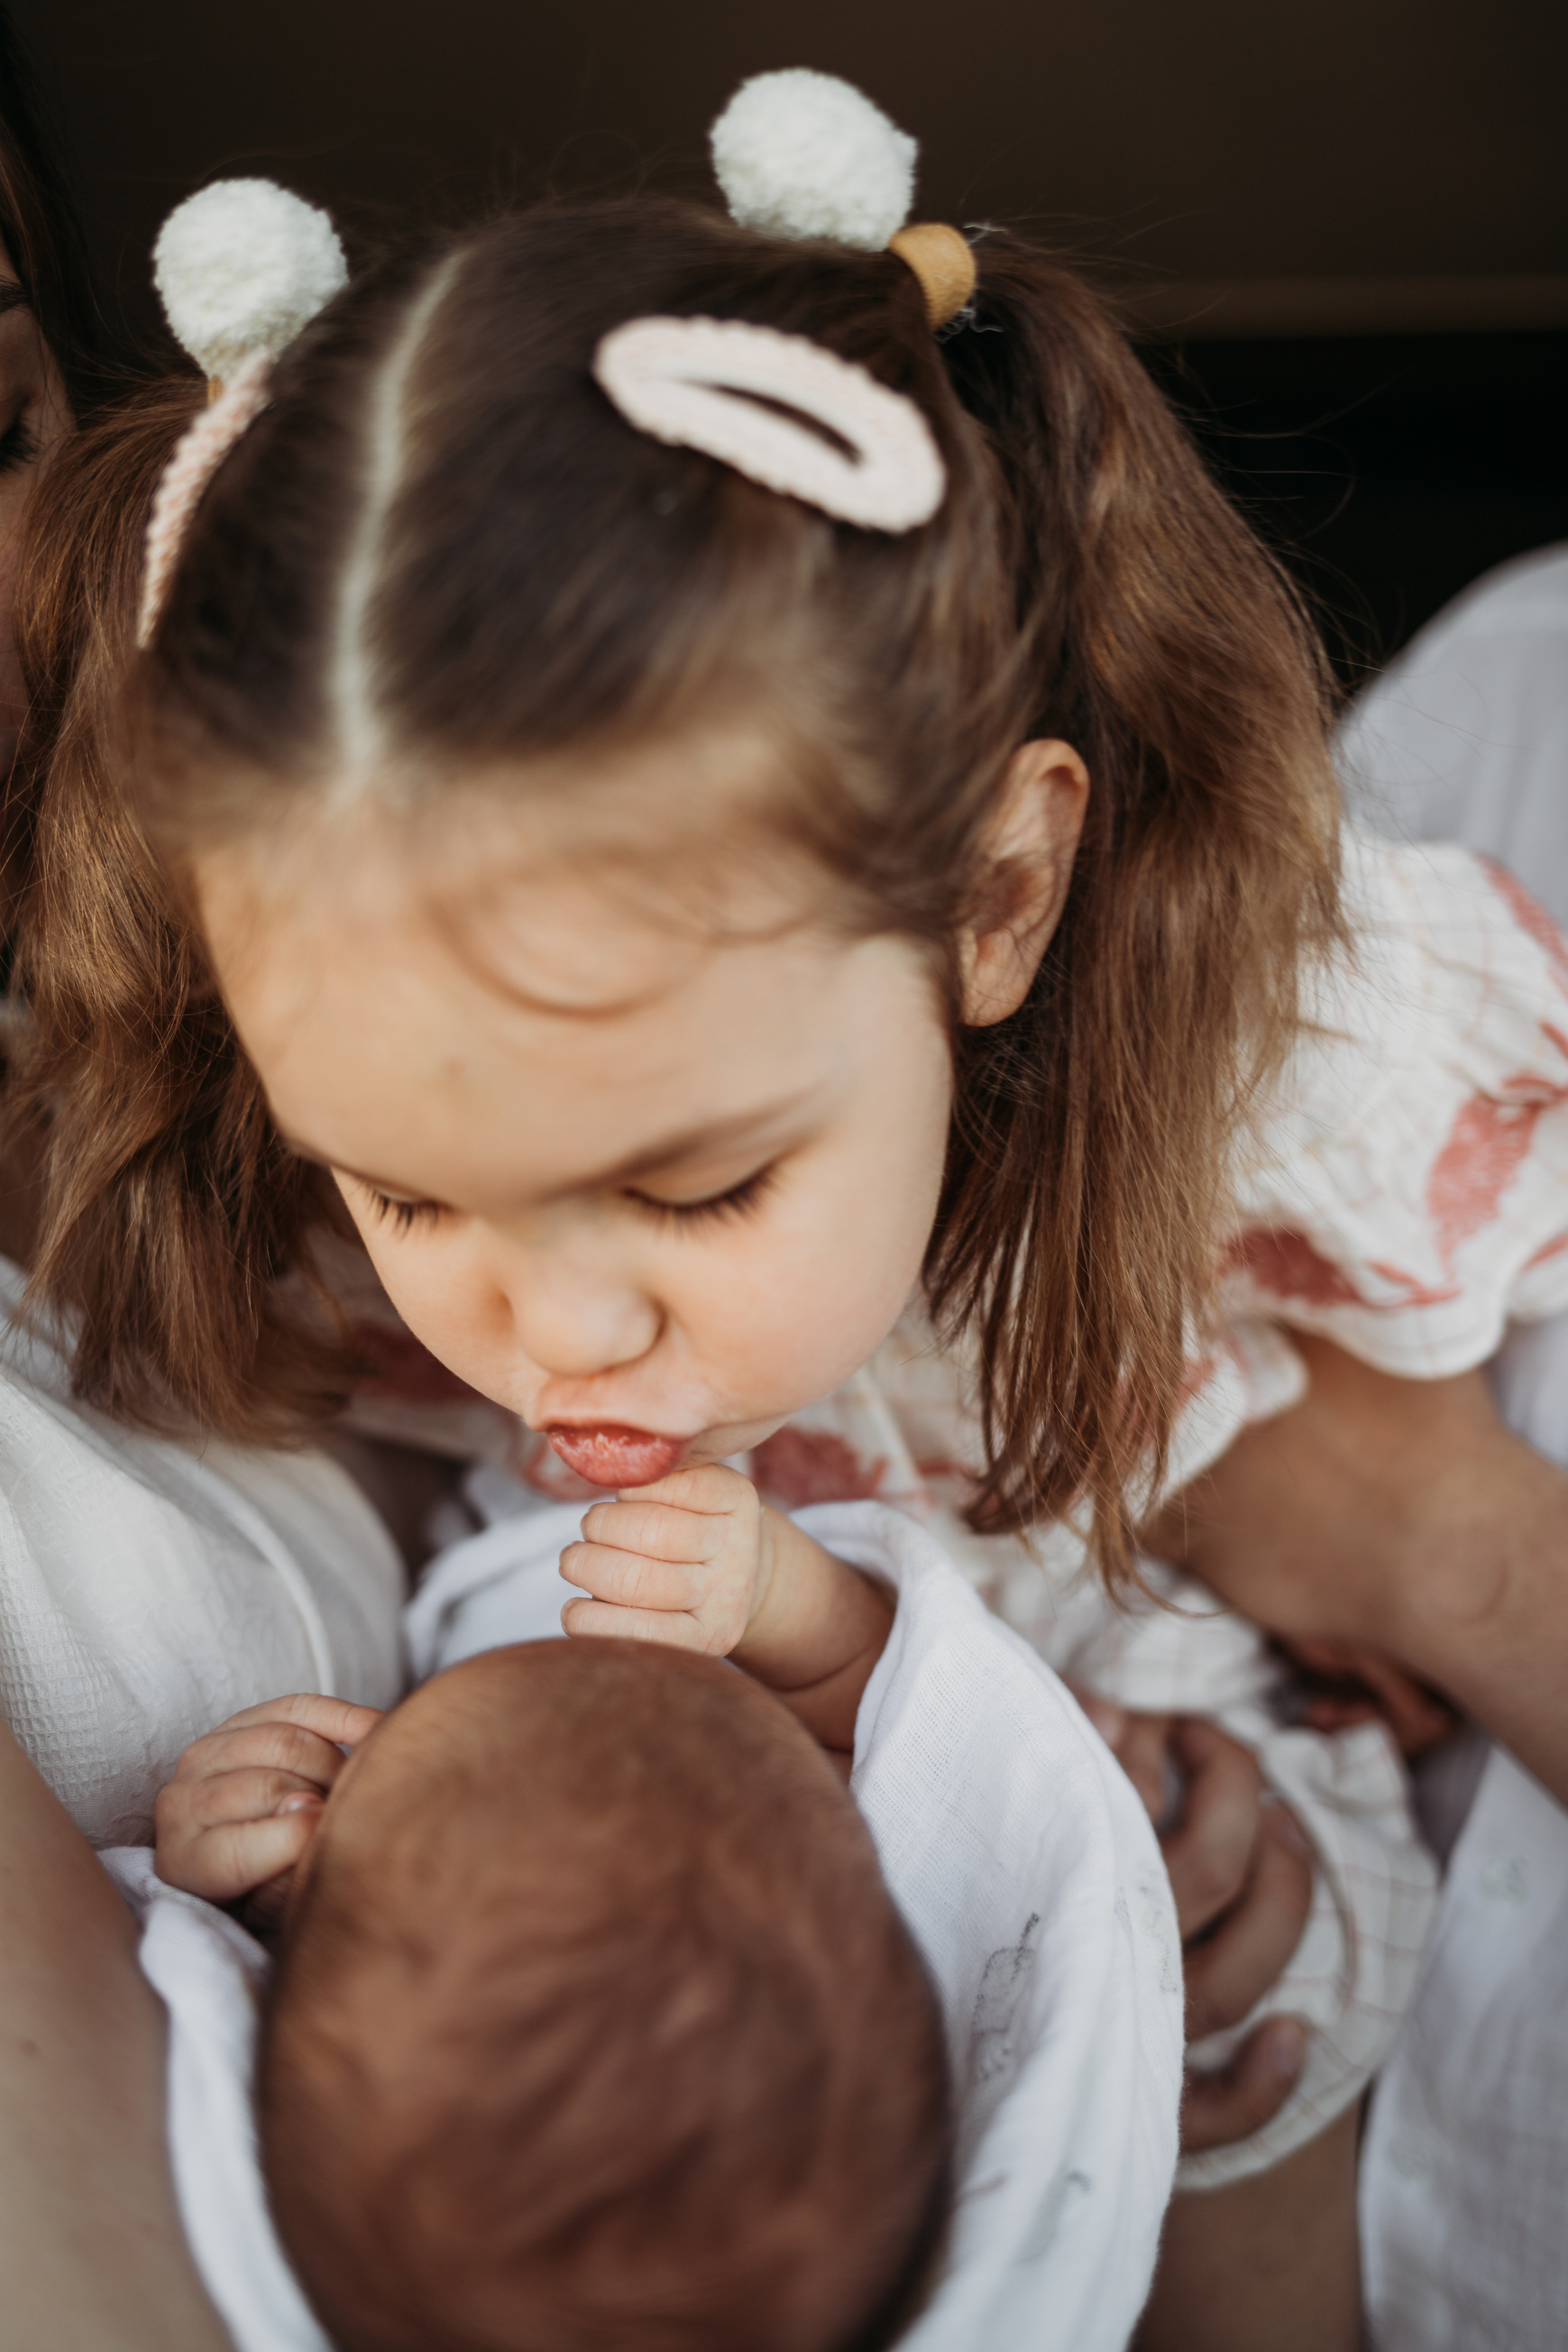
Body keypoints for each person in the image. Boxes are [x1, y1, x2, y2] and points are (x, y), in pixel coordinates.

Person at [137, 1486, 1183, 2352]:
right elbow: (909, 1713)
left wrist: (253, 1883)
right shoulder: (862, 1840)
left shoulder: (390, 2034)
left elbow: (315, 1981)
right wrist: (782, 1599)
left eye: (363, 1773)